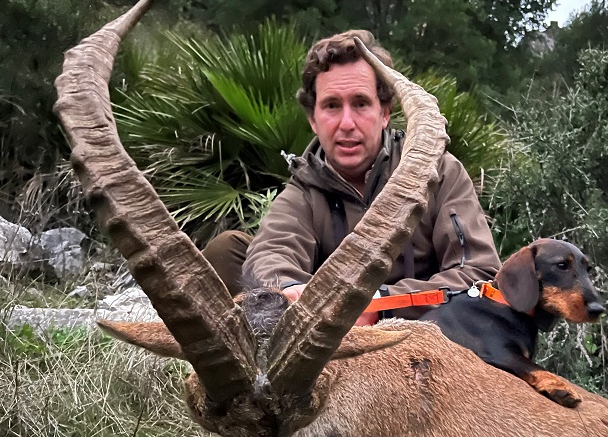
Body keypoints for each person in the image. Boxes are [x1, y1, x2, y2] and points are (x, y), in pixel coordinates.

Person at [203, 29, 501, 324]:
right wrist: (290, 291)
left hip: (423, 335)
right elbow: (272, 253)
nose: (347, 123)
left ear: (385, 112)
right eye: (332, 105)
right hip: (330, 341)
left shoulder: (440, 171)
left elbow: (478, 275)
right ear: (313, 119)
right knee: (228, 252)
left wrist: (380, 304)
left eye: (360, 103)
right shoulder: (304, 190)